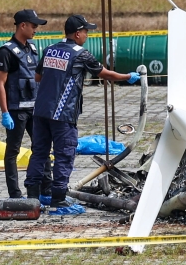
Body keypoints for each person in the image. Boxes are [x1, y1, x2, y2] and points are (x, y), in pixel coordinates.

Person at [25, 15, 140, 208]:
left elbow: (38, 77)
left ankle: (31, 198)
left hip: (41, 111)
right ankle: (59, 200)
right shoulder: (81, 54)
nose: (87, 35)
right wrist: (128, 76)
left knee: (39, 153)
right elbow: (106, 74)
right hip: (62, 114)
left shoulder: (50, 49)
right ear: (77, 33)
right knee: (65, 154)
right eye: (86, 31)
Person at [0, 9, 49, 199]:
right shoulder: (6, 51)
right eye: (33, 26)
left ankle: (46, 189)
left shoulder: (33, 48)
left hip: (35, 109)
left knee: (41, 147)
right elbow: (0, 83)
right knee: (13, 151)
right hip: (16, 110)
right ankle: (15, 193)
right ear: (22, 26)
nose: (36, 29)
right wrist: (4, 112)